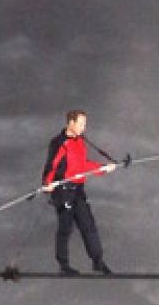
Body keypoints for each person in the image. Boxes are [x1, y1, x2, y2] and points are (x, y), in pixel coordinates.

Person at [42, 109, 116, 275]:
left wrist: (103, 168)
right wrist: (48, 183)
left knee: (88, 225)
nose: (83, 127)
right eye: (81, 124)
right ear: (71, 123)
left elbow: (83, 165)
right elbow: (51, 165)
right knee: (65, 228)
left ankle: (98, 261)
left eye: (84, 124)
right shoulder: (59, 143)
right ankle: (64, 265)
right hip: (63, 191)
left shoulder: (80, 141)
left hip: (77, 190)